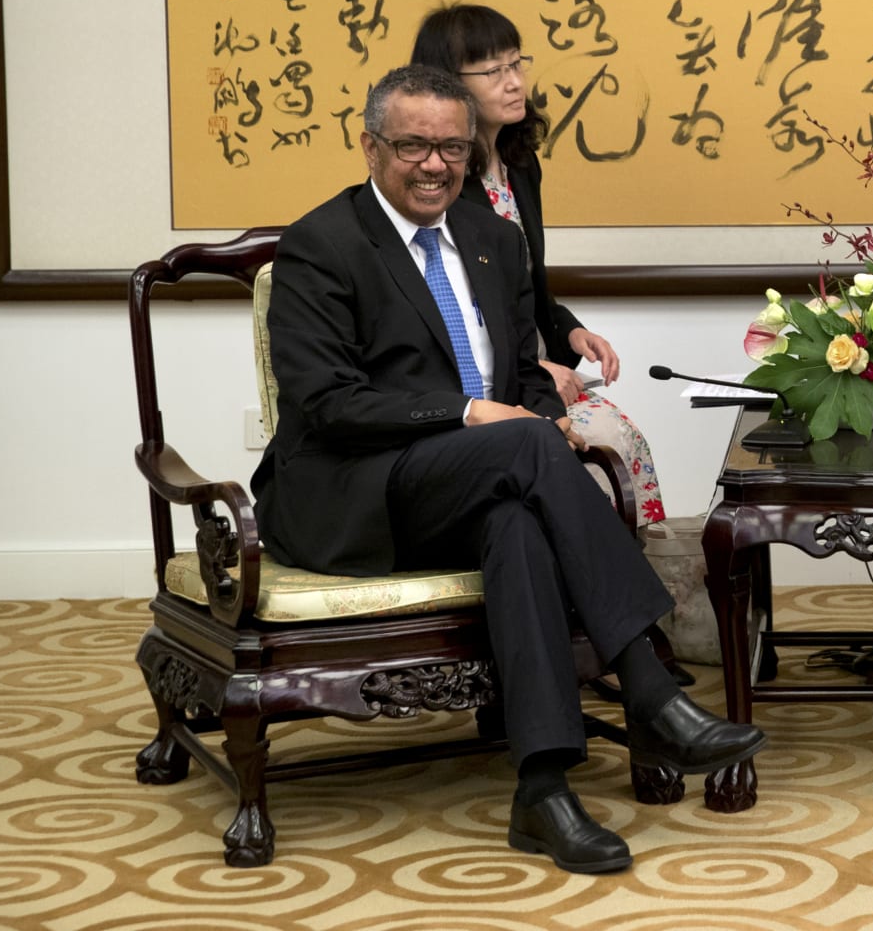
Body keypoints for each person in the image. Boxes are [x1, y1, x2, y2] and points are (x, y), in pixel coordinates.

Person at [252, 65, 764, 874]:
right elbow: (324, 403)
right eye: (413, 145)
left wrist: (544, 412)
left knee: (517, 524)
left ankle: (543, 789)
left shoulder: (493, 238)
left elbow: (519, 374)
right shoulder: (323, 245)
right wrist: (469, 414)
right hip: (353, 494)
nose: (434, 165)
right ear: (370, 146)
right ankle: (650, 687)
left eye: (451, 147)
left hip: (476, 484)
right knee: (523, 446)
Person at [411, 3, 666, 522]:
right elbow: (450, 308)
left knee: (622, 442)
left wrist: (569, 333)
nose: (515, 82)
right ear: (448, 85)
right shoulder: (437, 185)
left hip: (533, 365)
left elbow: (524, 286)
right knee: (607, 441)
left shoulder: (519, 165)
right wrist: (537, 370)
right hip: (488, 385)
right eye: (494, 71)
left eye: (516, 64)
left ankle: (618, 577)